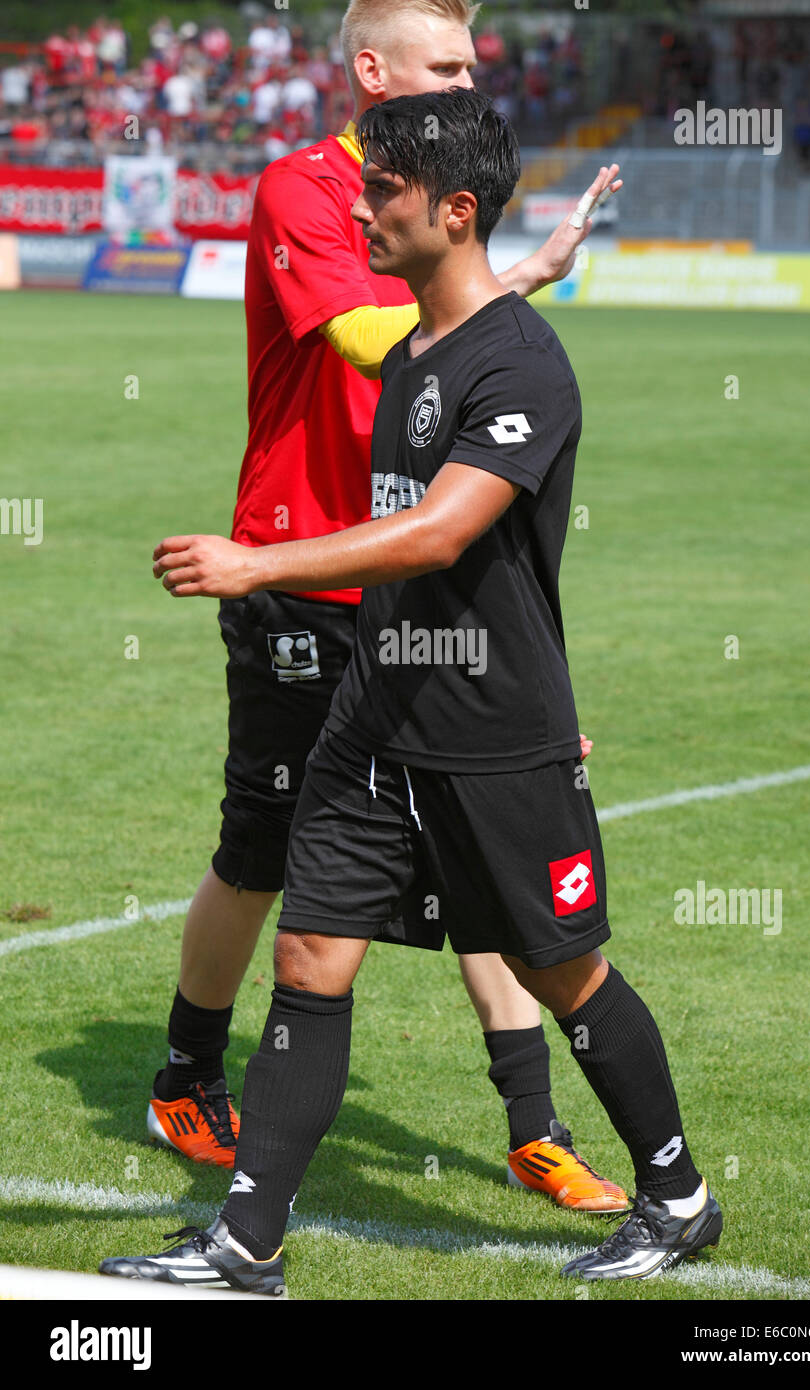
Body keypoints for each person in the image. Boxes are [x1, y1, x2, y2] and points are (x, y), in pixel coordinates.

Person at [101, 87, 721, 1294]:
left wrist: (258, 561)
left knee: (565, 973)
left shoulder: (521, 363)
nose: (361, 204)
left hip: (491, 739)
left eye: (381, 189)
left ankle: (677, 1193)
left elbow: (443, 537)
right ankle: (247, 1241)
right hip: (374, 723)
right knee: (311, 960)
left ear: (453, 209)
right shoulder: (417, 355)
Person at [143, 0, 627, 1217]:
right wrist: (517, 274)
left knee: (471, 839)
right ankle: (186, 1075)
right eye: (449, 61)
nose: (476, 75)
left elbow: (455, 342)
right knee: (263, 851)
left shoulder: (433, 190)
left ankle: (531, 1121)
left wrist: (506, 280)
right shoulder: (308, 188)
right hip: (299, 567)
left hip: (412, 575)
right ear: (374, 72)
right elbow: (371, 334)